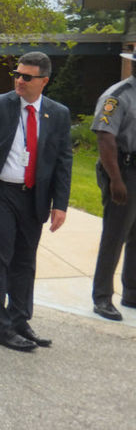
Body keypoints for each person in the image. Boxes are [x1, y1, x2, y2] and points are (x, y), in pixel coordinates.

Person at [0, 51, 72, 351]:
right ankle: (0, 328)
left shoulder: (58, 113)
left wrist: (60, 204)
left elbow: (64, 161)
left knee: (25, 262)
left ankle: (20, 320)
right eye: (17, 74)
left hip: (34, 197)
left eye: (27, 77)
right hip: (0, 195)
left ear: (44, 81)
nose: (19, 80)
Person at [90, 51, 136, 321]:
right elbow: (105, 139)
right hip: (122, 169)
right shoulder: (117, 95)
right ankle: (102, 297)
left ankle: (131, 293)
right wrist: (116, 180)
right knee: (115, 235)